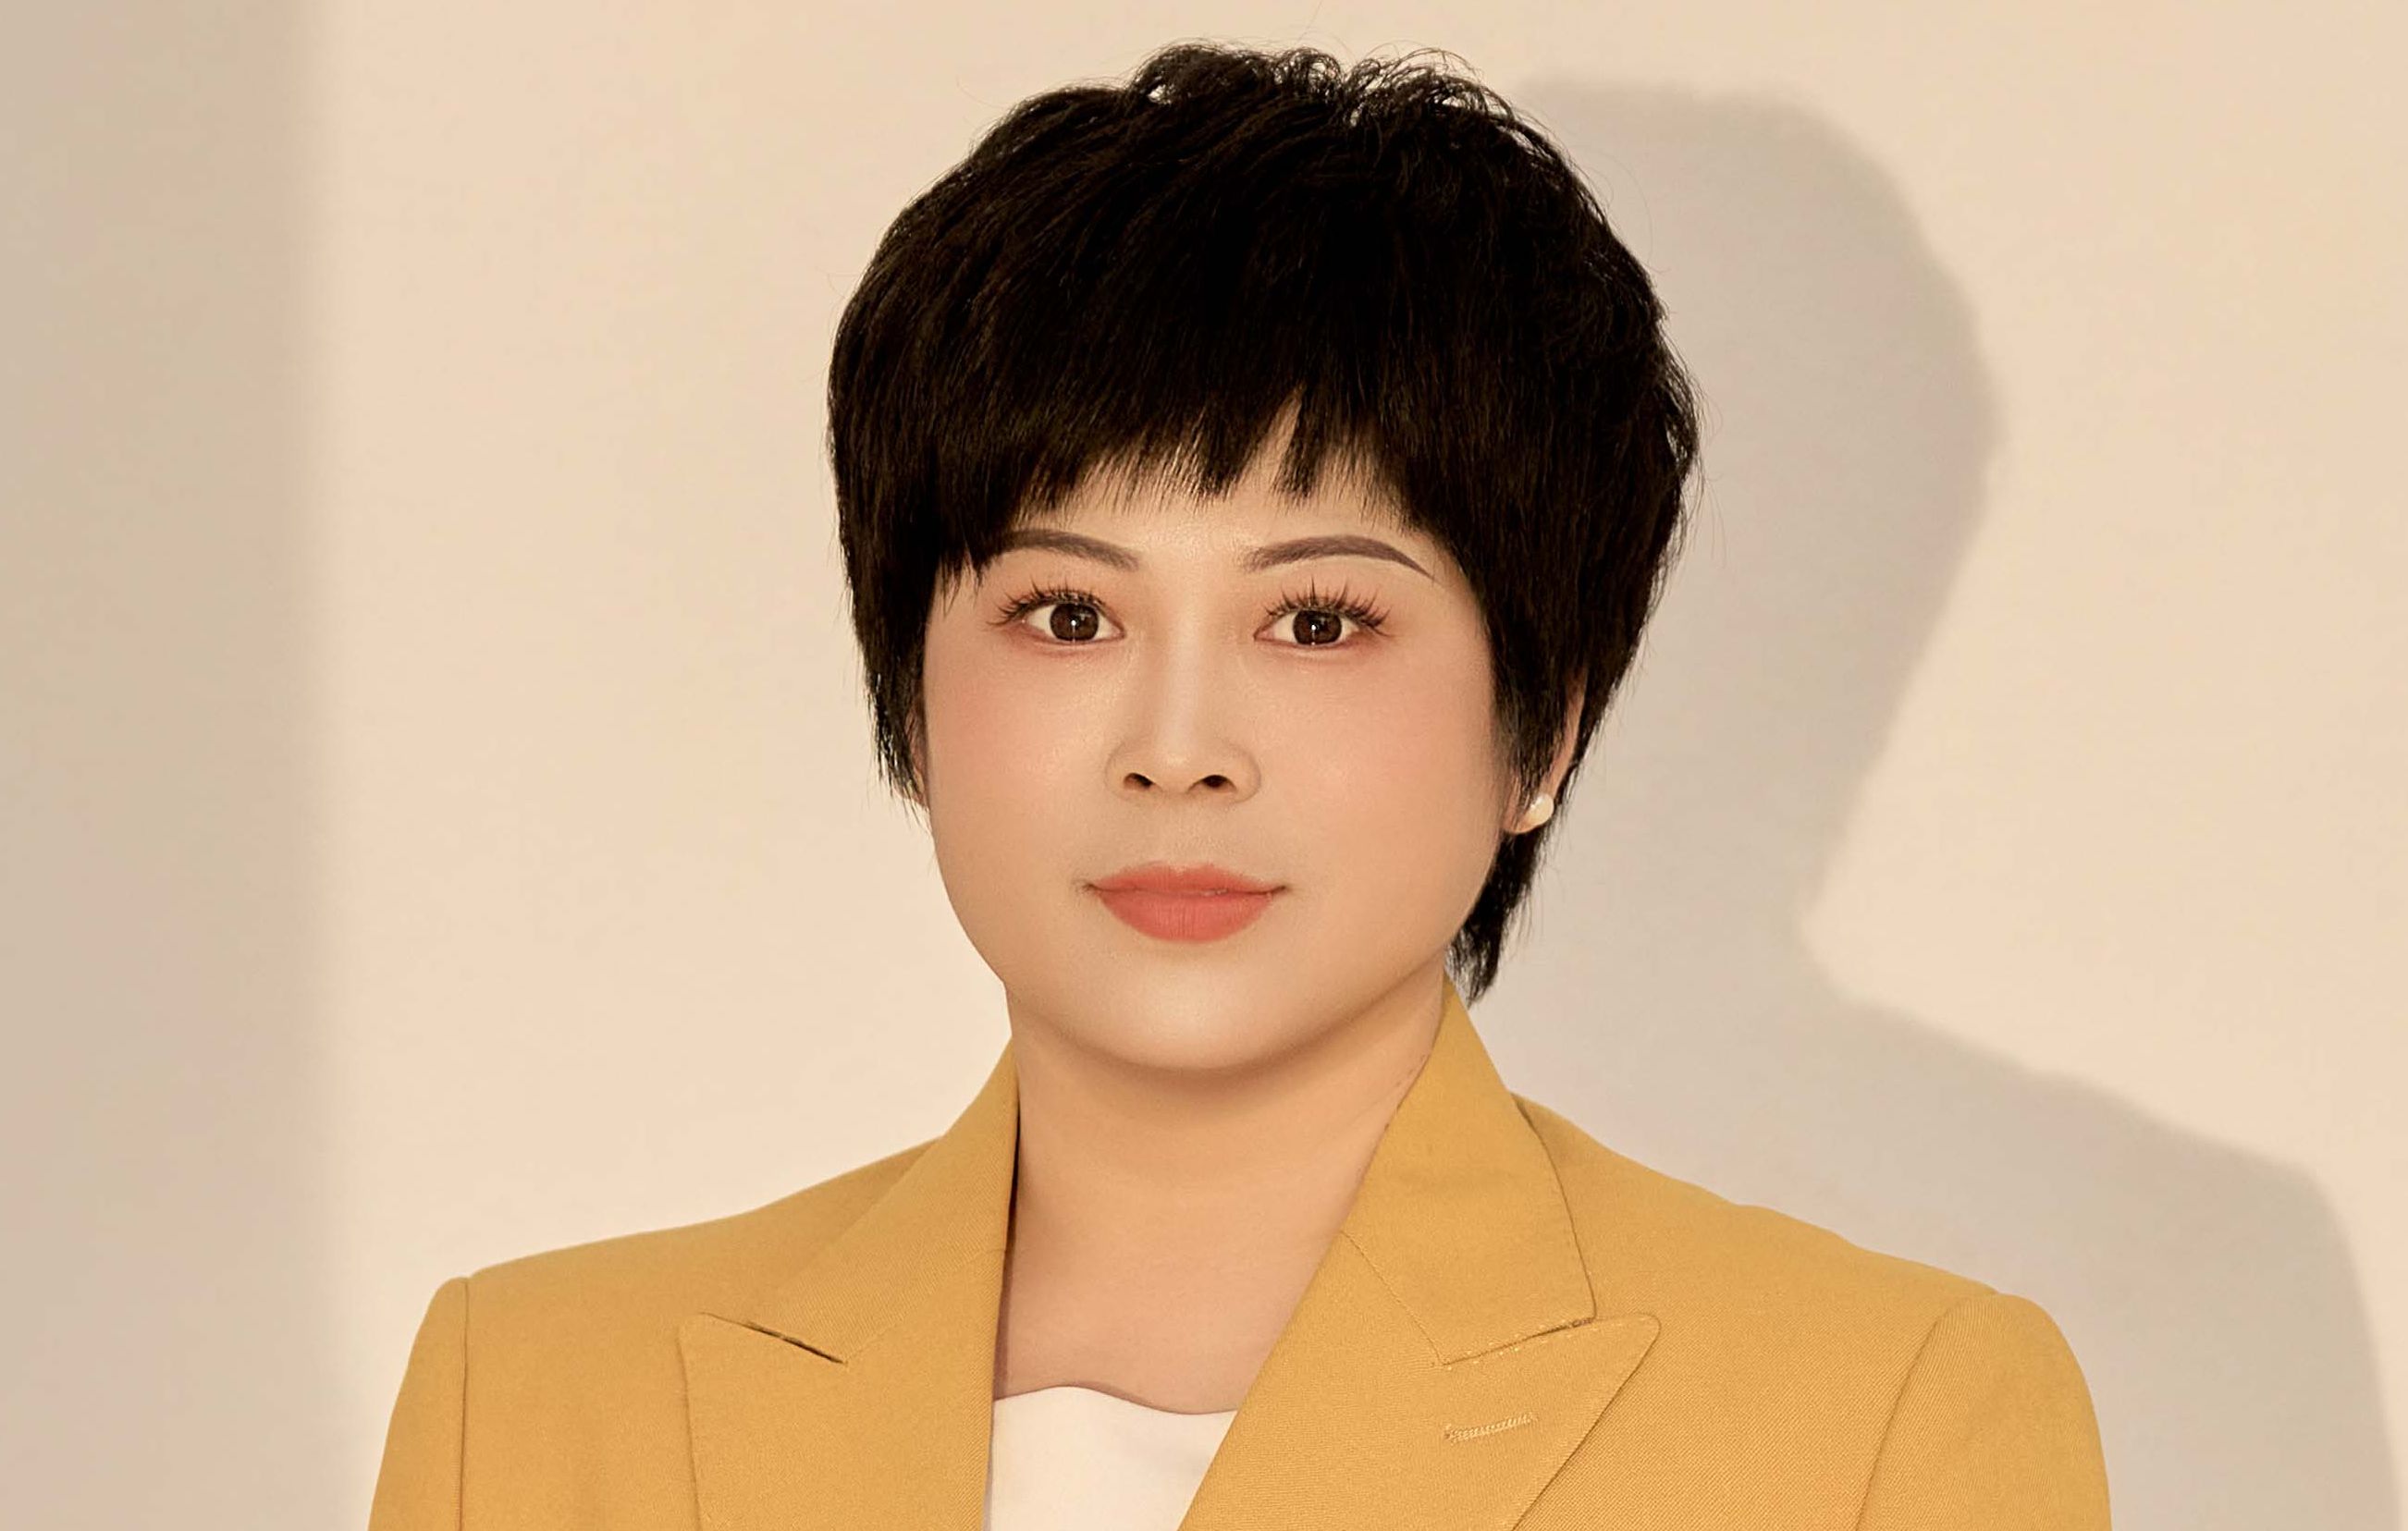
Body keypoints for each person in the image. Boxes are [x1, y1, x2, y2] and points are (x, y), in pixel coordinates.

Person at [368, 41, 2110, 1531]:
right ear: (910, 688)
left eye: (1318, 619)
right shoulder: (532, 1399)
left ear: (1541, 732)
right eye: (1066, 614)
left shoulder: (1880, 1421)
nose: (1178, 744)